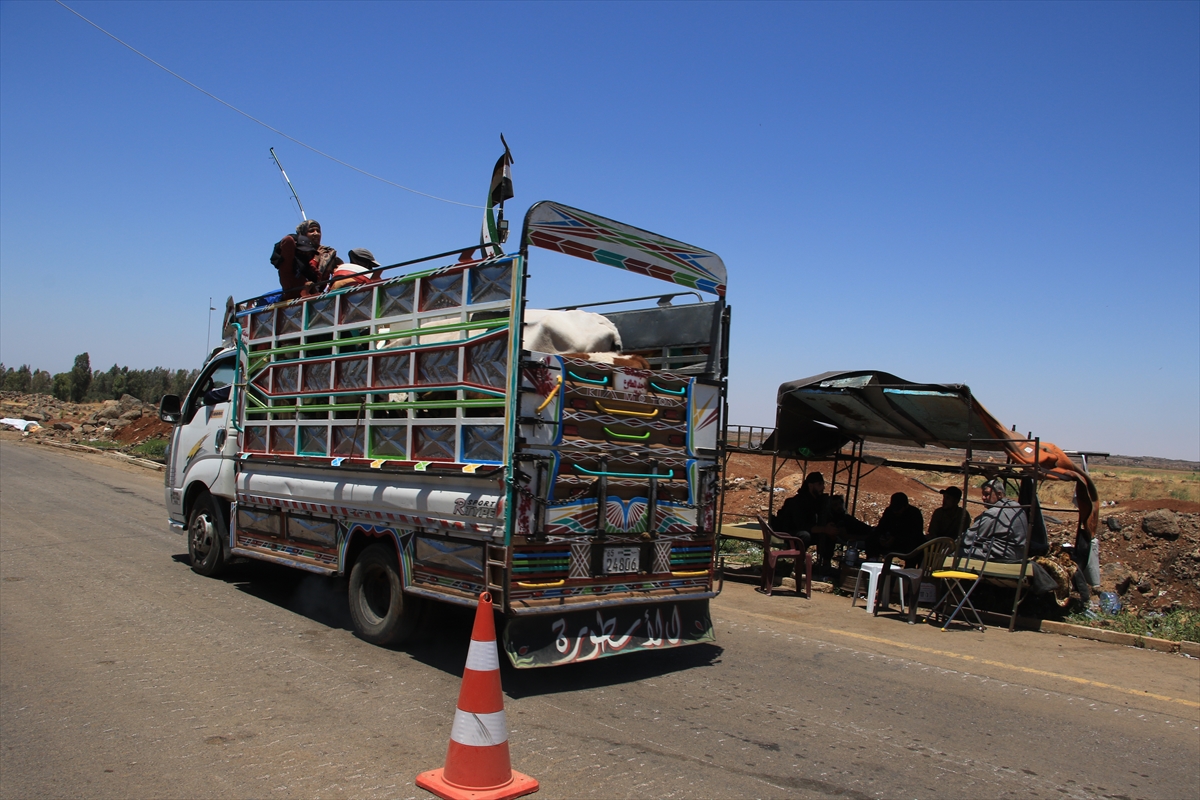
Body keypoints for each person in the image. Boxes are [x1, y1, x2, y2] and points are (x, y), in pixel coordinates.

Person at [961, 478, 1028, 563]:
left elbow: (969, 538)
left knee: (958, 551)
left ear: (999, 494)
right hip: (1018, 553)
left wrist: (954, 543)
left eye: (987, 494)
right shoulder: (1016, 506)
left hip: (1002, 555)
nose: (983, 498)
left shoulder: (993, 513)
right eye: (983, 494)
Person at [271, 220, 341, 299]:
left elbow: (339, 272)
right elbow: (288, 241)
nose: (316, 233)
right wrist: (315, 259)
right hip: (297, 301)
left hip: (320, 298)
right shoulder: (292, 262)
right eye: (311, 231)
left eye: (318, 231)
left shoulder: (328, 253)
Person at [871, 492, 925, 562]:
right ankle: (872, 559)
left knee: (914, 546)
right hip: (889, 540)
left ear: (905, 506)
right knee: (872, 537)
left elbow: (915, 534)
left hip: (906, 542)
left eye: (898, 510)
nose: (896, 512)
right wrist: (882, 537)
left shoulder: (914, 513)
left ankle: (909, 569)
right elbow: (881, 527)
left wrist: (895, 538)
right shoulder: (889, 511)